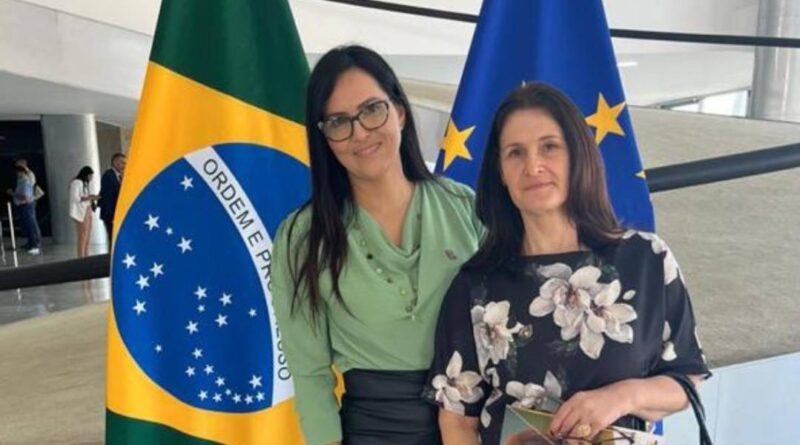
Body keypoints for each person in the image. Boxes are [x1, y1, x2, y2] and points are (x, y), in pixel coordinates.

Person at [426, 83, 710, 445]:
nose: (533, 166)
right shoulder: (475, 286)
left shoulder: (647, 260)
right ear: (500, 171)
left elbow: (687, 380)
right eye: (515, 153)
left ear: (577, 155)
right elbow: (457, 421)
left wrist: (622, 396)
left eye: (549, 147)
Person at [271, 45, 483, 445]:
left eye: (372, 110)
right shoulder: (302, 238)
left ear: (400, 111)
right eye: (338, 122)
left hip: (474, 427)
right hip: (374, 433)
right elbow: (311, 375)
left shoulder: (465, 209)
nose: (360, 133)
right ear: (324, 138)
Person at [6, 160, 42, 254]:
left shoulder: (28, 178)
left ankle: (35, 244)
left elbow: (25, 196)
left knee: (31, 224)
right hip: (23, 205)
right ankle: (30, 243)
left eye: (19, 167)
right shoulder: (21, 179)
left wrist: (13, 194)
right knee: (26, 225)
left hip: (28, 204)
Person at [69, 166, 99, 258]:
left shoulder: (85, 184)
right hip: (81, 210)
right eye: (90, 175)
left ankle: (86, 255)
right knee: (82, 234)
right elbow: (75, 197)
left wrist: (92, 197)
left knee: (88, 234)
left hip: (87, 208)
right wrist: (89, 197)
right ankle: (81, 256)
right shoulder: (76, 182)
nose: (91, 178)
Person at [99, 153, 125, 242]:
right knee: (112, 237)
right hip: (110, 214)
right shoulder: (108, 176)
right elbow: (107, 197)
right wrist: (111, 215)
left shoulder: (119, 176)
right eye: (122, 162)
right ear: (115, 162)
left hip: (116, 213)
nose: (124, 165)